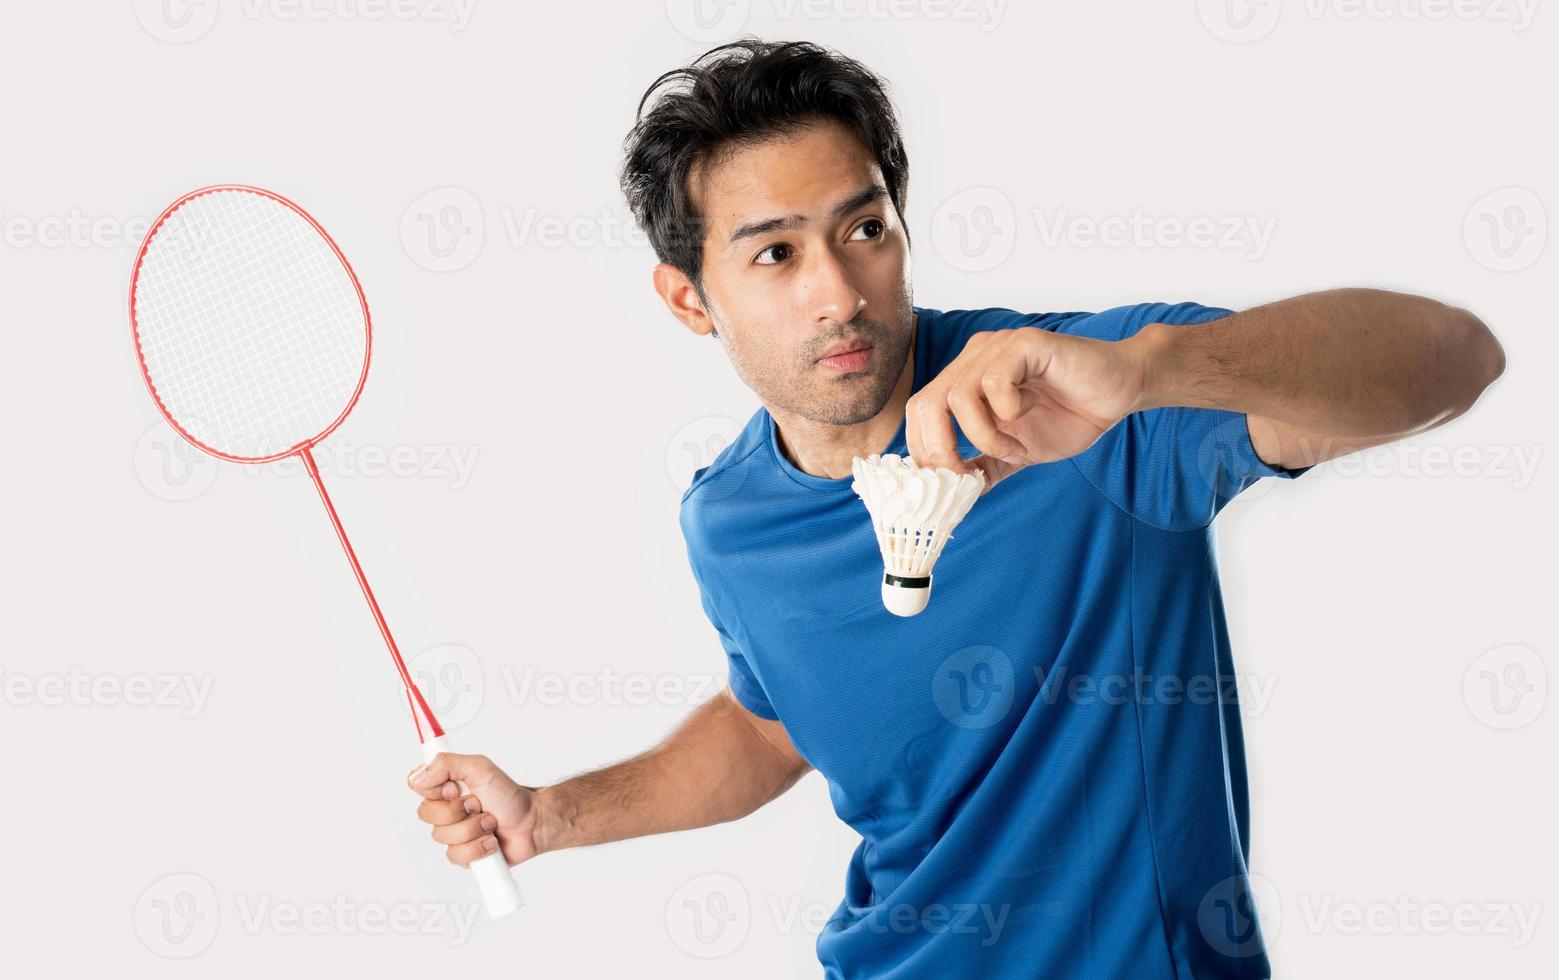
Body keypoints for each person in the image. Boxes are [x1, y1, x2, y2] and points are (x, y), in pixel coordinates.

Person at [409, 39, 1504, 978]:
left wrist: (1155, 368)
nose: (837, 291)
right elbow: (770, 722)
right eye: (776, 253)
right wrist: (547, 814)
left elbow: (1456, 359)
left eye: (863, 228)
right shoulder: (726, 518)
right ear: (689, 296)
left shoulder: (1084, 398)